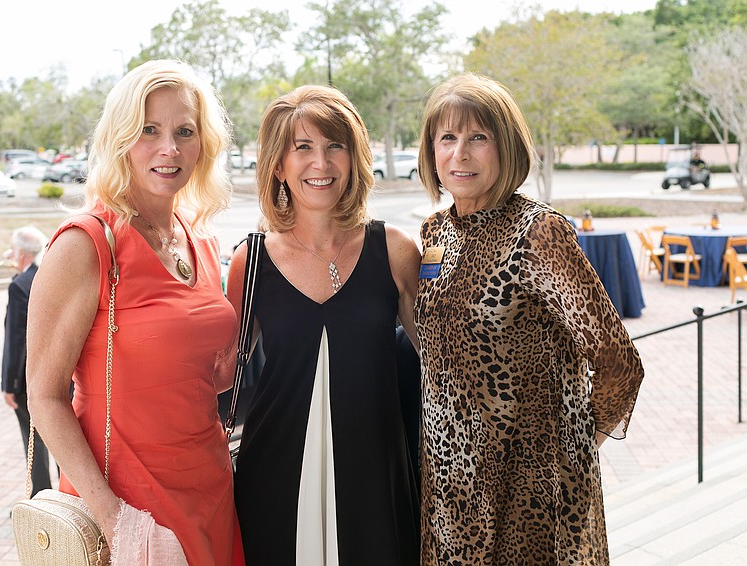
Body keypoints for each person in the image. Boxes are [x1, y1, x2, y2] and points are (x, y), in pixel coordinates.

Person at [414, 72, 644, 565]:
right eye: (447, 138)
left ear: (507, 146)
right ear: (431, 151)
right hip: (451, 486)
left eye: (479, 137)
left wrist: (574, 448)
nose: (460, 154)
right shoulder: (435, 232)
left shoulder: (539, 232)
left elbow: (619, 362)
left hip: (529, 493)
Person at [27, 59, 244, 565]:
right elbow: (44, 395)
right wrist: (115, 521)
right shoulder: (86, 243)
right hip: (130, 508)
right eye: (149, 130)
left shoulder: (200, 239)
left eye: (184, 131)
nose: (170, 148)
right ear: (120, 138)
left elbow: (198, 376)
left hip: (211, 491)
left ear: (203, 144)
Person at [227, 84, 422, 565]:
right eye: (303, 147)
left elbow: (441, 364)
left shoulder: (395, 250)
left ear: (354, 158)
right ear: (278, 165)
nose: (321, 162)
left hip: (376, 477)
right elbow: (219, 373)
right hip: (273, 475)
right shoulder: (250, 262)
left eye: (336, 145)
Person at [1, 225, 51, 497]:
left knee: (33, 440)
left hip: (28, 378)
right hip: (61, 375)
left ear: (21, 253)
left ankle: (40, 498)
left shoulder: (19, 285)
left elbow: (16, 339)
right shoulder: (50, 275)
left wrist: (10, 384)